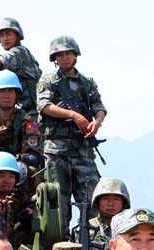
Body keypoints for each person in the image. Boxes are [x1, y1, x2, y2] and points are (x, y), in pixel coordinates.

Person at [37, 35, 106, 231]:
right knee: (58, 204)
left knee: (92, 201)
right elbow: (44, 106)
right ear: (55, 58)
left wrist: (96, 123)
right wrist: (73, 115)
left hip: (82, 149)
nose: (65, 58)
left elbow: (99, 107)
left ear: (75, 55)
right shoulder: (48, 80)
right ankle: (61, 243)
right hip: (57, 151)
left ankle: (94, 241)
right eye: (60, 55)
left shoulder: (87, 82)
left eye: (68, 53)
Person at [71, 178, 129, 250]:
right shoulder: (83, 230)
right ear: (97, 202)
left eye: (116, 199)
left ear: (124, 203)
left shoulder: (130, 230)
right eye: (105, 199)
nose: (110, 204)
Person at [0, 18, 42, 114]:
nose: (5, 38)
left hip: (33, 110)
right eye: (2, 35)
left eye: (8, 34)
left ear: (17, 36)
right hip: (21, 109)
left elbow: (0, 60)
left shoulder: (20, 51)